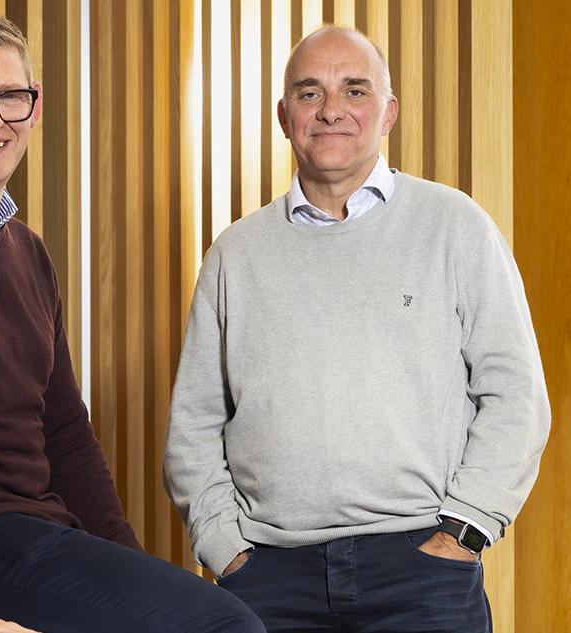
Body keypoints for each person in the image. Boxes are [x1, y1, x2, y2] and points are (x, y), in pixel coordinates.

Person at [0, 11, 264, 633]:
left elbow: (64, 433)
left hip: (28, 536)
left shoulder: (27, 250)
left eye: (9, 97)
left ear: (34, 106)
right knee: (224, 627)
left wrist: (129, 569)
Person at [164, 25, 550, 633]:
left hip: (424, 570)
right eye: (310, 92)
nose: (332, 110)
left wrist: (465, 532)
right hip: (267, 576)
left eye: (356, 90)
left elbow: (516, 396)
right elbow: (193, 423)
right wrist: (226, 551)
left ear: (388, 113)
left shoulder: (455, 226)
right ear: (284, 115)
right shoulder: (235, 254)